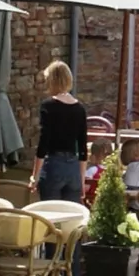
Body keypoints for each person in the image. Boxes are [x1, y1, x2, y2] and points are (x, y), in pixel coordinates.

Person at [28, 61, 88, 202]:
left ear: (52, 81)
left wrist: (35, 176)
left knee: (50, 216)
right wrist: (82, 180)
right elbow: (82, 147)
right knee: (70, 219)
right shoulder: (80, 109)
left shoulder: (48, 105)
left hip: (53, 166)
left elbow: (44, 142)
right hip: (73, 169)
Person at [83, 138, 113, 205]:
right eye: (106, 154)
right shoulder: (94, 169)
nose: (107, 157)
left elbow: (86, 187)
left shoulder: (93, 170)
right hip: (100, 199)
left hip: (97, 199)